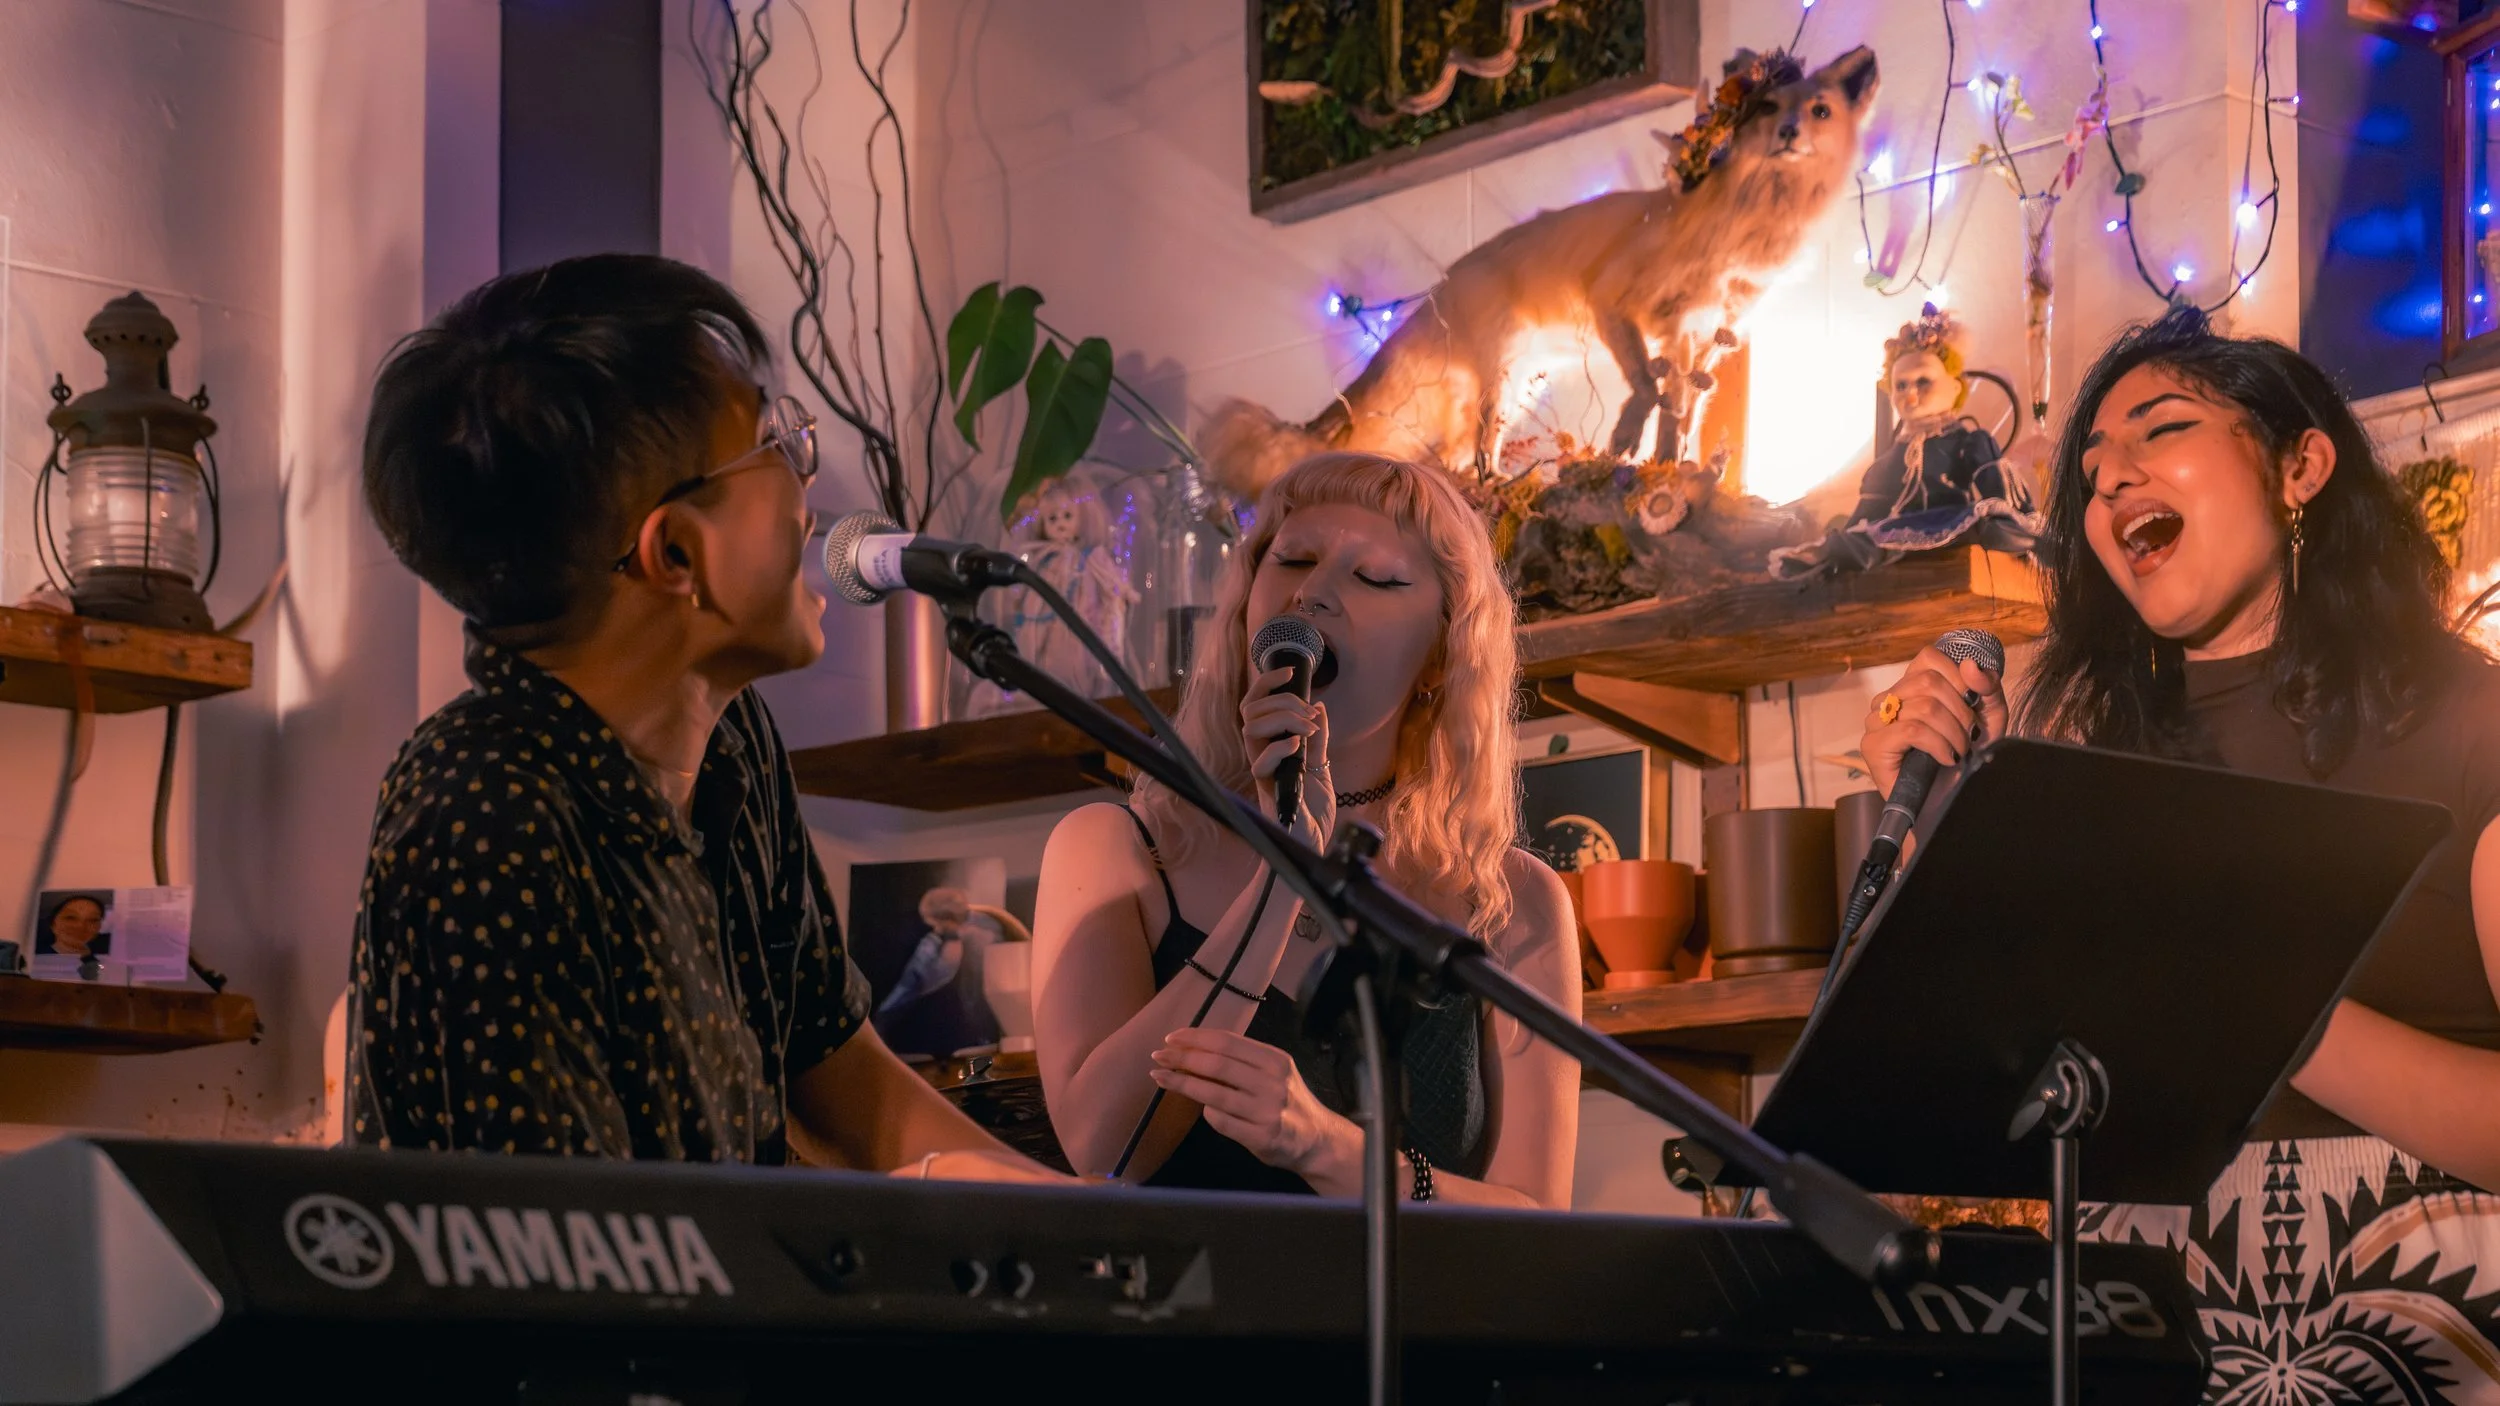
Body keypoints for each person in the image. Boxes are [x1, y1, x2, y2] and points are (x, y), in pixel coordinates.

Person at [1861, 307, 2500, 1401]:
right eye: (2092, 467)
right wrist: (1942, 827)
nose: (2110, 479)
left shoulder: (2468, 719)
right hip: (2145, 1314)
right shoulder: (2089, 768)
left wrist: (2246, 1001)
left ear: (2300, 464)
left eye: (2159, 430)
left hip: (2424, 1313)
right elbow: (2001, 1103)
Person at [348, 254, 1051, 1181]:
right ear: (677, 553)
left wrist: (1115, 1245)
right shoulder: (487, 816)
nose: (811, 497)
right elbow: (561, 1272)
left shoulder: (733, 745)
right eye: (778, 444)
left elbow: (843, 1085)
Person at [1031, 452, 1580, 1204]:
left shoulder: (1511, 899)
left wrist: (1327, 1149)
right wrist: (1284, 869)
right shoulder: (1120, 848)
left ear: (1438, 657)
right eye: (1292, 561)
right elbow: (1104, 1147)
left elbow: (1537, 1222)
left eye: (1376, 578)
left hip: (1412, 1322)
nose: (1313, 594)